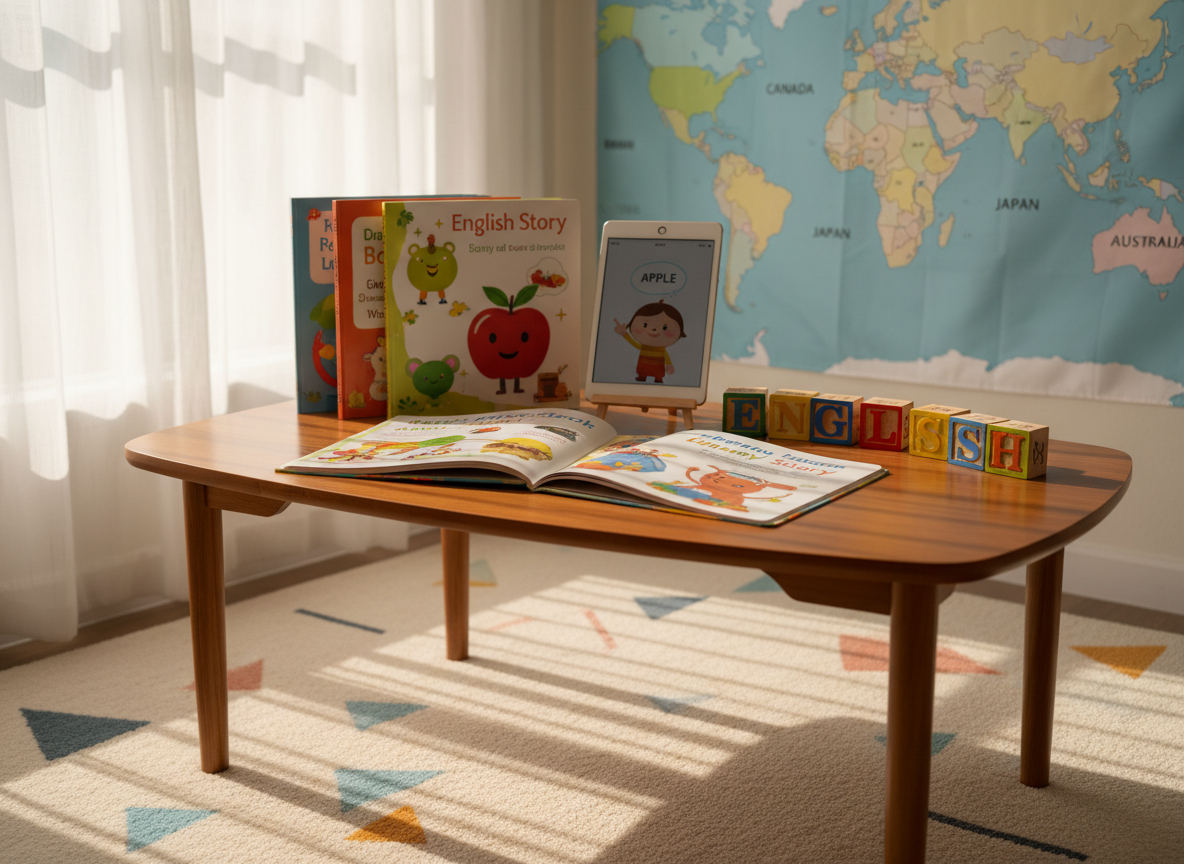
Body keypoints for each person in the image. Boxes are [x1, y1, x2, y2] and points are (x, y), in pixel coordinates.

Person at [613, 299, 686, 383]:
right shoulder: (645, 347)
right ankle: (642, 376)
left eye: (664, 327)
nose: (654, 329)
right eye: (645, 325)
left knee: (658, 374)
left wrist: (669, 364)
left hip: (658, 368)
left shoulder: (661, 350)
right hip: (643, 366)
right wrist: (624, 334)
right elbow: (635, 344)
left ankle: (658, 378)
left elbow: (666, 356)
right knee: (642, 371)